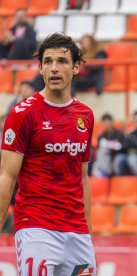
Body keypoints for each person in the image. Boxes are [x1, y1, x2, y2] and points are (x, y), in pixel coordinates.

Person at [0, 33, 96, 275]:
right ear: (40, 68)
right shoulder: (23, 113)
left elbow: (82, 177)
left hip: (77, 232)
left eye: (62, 62)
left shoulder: (85, 115)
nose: (54, 68)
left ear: (76, 67)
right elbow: (6, 178)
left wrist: (89, 231)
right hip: (36, 228)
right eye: (48, 61)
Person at [92, 113, 127, 178]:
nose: (106, 125)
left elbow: (125, 148)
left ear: (111, 122)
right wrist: (113, 145)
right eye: (104, 124)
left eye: (107, 123)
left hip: (117, 158)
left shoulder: (119, 134)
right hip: (106, 160)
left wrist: (113, 146)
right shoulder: (101, 136)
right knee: (99, 155)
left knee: (118, 158)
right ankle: (103, 173)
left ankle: (107, 174)